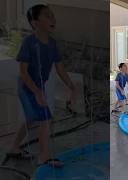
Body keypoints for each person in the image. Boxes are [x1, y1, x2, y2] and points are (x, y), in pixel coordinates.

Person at [6, 4, 76, 168]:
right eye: (47, 15)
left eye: (52, 15)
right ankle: (43, 157)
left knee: (31, 119)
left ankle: (14, 148)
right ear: (35, 23)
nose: (52, 18)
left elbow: (60, 68)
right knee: (46, 119)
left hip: (37, 88)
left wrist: (72, 87)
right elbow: (23, 72)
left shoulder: (52, 44)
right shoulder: (29, 43)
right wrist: (37, 92)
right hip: (27, 87)